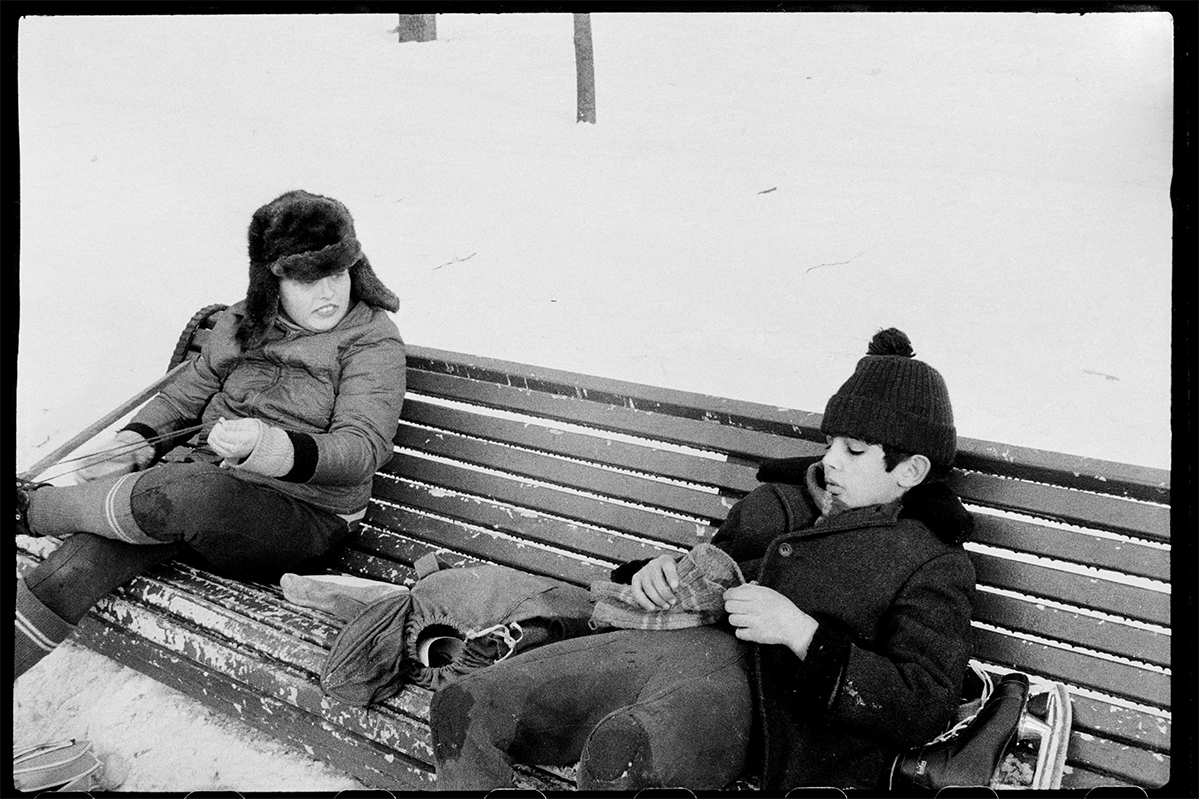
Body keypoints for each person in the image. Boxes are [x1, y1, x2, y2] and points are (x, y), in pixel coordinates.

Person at [428, 328, 977, 791]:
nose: (829, 460)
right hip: (658, 648)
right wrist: (652, 574)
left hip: (757, 712)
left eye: (854, 451)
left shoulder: (927, 562)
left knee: (620, 753)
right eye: (831, 441)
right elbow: (708, 571)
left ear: (909, 472)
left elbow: (923, 703)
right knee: (463, 706)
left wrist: (803, 633)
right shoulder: (776, 504)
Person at [14, 190, 407, 680]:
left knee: (193, 492)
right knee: (69, 572)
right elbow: (185, 395)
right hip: (191, 497)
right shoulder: (243, 322)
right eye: (308, 280)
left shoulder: (371, 341)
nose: (328, 293)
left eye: (338, 274)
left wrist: (269, 447)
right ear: (273, 280)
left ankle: (33, 511)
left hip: (305, 516)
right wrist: (133, 442)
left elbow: (361, 449)